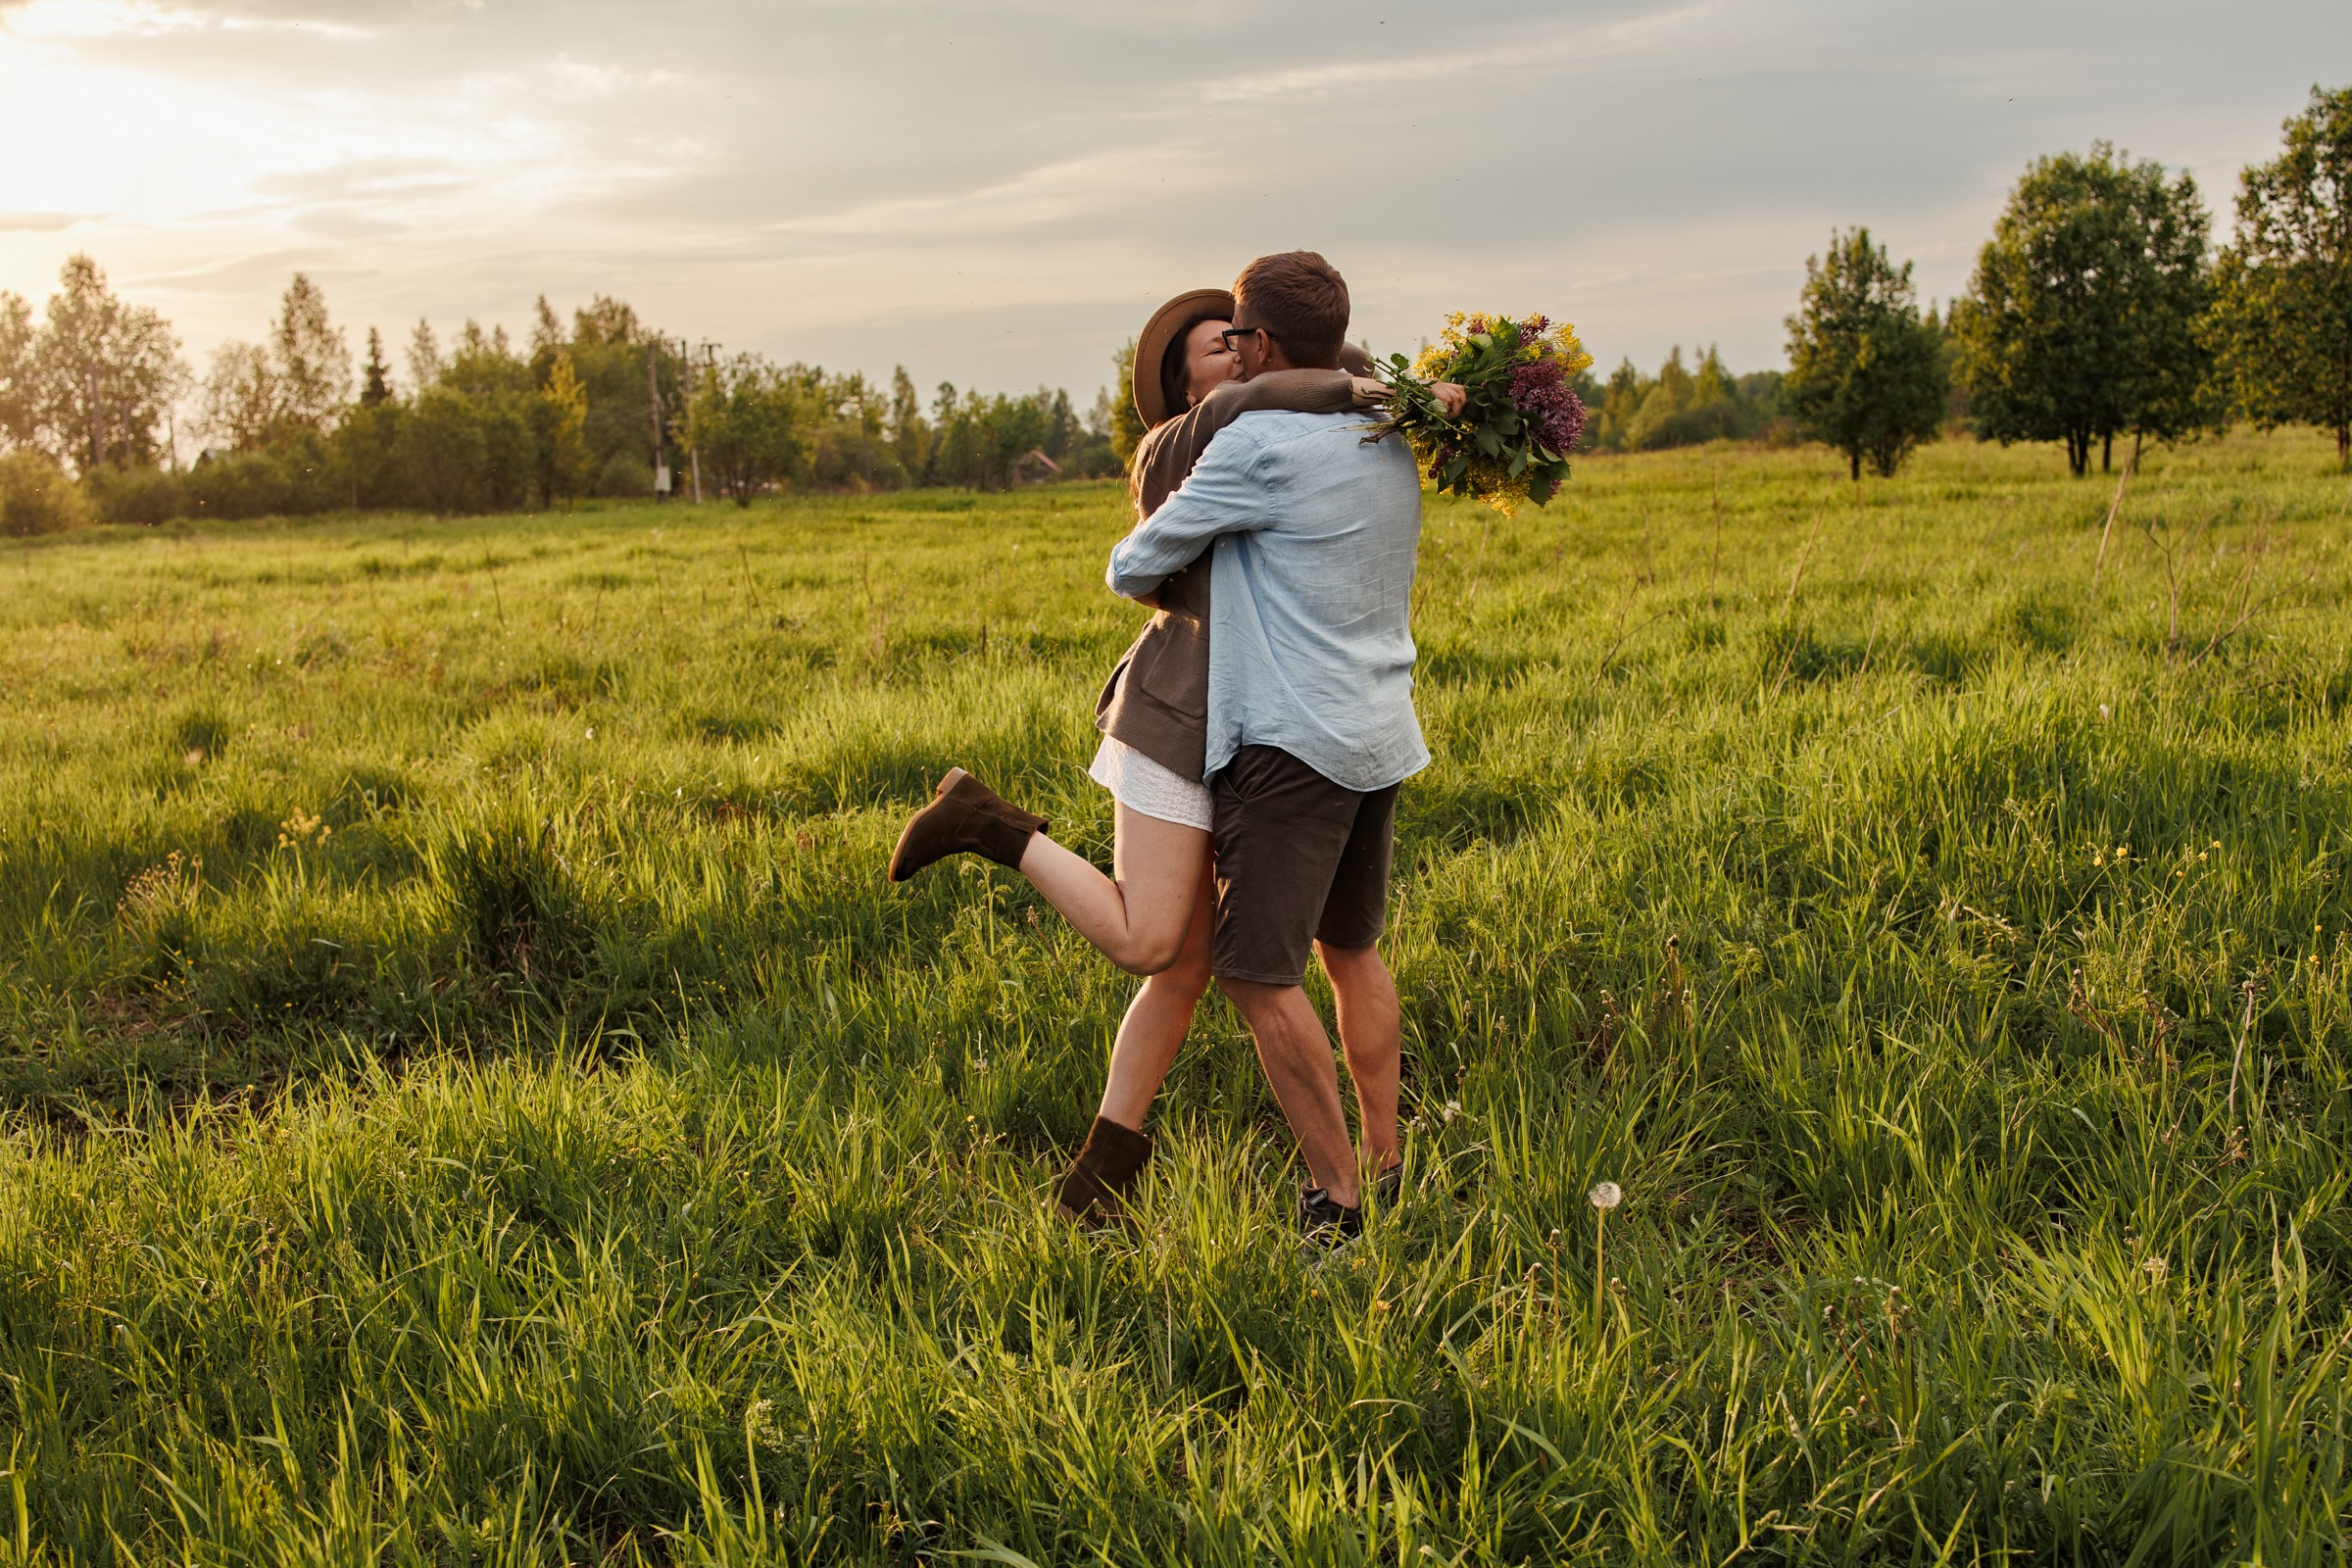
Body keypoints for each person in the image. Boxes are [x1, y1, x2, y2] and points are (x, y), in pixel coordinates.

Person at [889, 280, 1453, 1226]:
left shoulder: (1290, 416)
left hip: (1256, 717)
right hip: (1177, 713)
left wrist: (1386, 387)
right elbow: (1267, 418)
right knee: (1156, 945)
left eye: (1239, 342)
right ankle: (986, 822)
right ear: (1180, 384)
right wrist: (1355, 388)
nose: (1231, 358)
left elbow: (1333, 374)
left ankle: (1099, 1182)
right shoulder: (1191, 443)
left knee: (1189, 969)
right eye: (1210, 351)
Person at [1102, 251, 1427, 1241]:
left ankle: (1337, 1198)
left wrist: (1218, 531)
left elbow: (1132, 564)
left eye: (1240, 333)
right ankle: (1387, 1154)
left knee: (1257, 976)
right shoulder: (1387, 431)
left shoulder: (1255, 451)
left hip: (1291, 743)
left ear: (1264, 345)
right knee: (1354, 951)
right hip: (1381, 730)